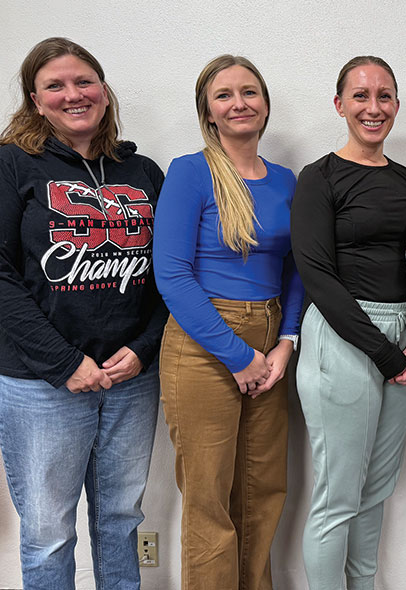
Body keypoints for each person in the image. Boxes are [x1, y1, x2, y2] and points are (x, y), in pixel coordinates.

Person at [0, 37, 166, 589]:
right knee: (49, 533)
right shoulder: (11, 163)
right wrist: (65, 362)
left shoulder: (142, 170)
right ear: (35, 99)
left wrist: (143, 352)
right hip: (41, 383)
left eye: (84, 81)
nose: (73, 94)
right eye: (56, 85)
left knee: (121, 522)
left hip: (130, 381)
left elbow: (170, 275)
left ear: (103, 89)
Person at [153, 55, 303, 590]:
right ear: (208, 112)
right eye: (224, 95)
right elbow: (171, 275)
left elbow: (297, 268)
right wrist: (238, 357)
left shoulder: (287, 180)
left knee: (263, 490)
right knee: (209, 498)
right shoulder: (190, 172)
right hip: (203, 344)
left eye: (249, 92)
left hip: (271, 337)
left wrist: (285, 343)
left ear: (265, 106)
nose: (239, 103)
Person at [291, 55, 406, 590]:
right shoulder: (319, 178)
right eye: (360, 96)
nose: (373, 108)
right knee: (338, 498)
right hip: (344, 339)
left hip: (403, 343)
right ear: (339, 105)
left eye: (384, 96)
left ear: (396, 105)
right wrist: (386, 354)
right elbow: (318, 277)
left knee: (374, 493)